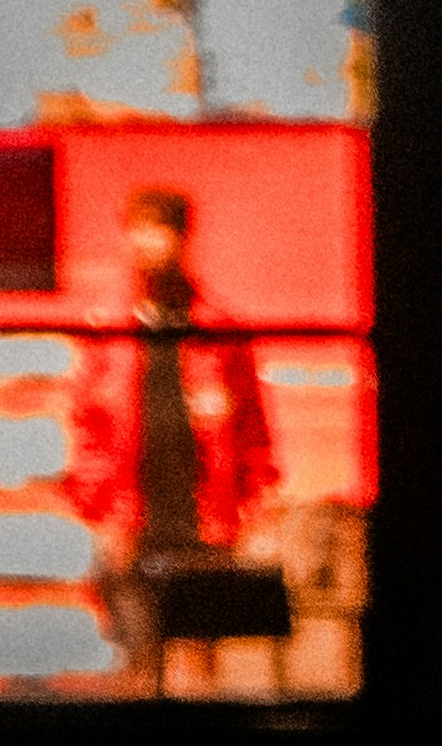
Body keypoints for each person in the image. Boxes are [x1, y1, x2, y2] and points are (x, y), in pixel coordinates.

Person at [63, 182, 284, 687]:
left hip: (203, 513)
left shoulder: (219, 328)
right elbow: (88, 427)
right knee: (136, 659)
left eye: (157, 230)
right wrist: (101, 513)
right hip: (132, 516)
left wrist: (253, 509)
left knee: (200, 656)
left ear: (182, 238)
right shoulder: (107, 327)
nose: (144, 243)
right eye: (136, 231)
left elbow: (253, 429)